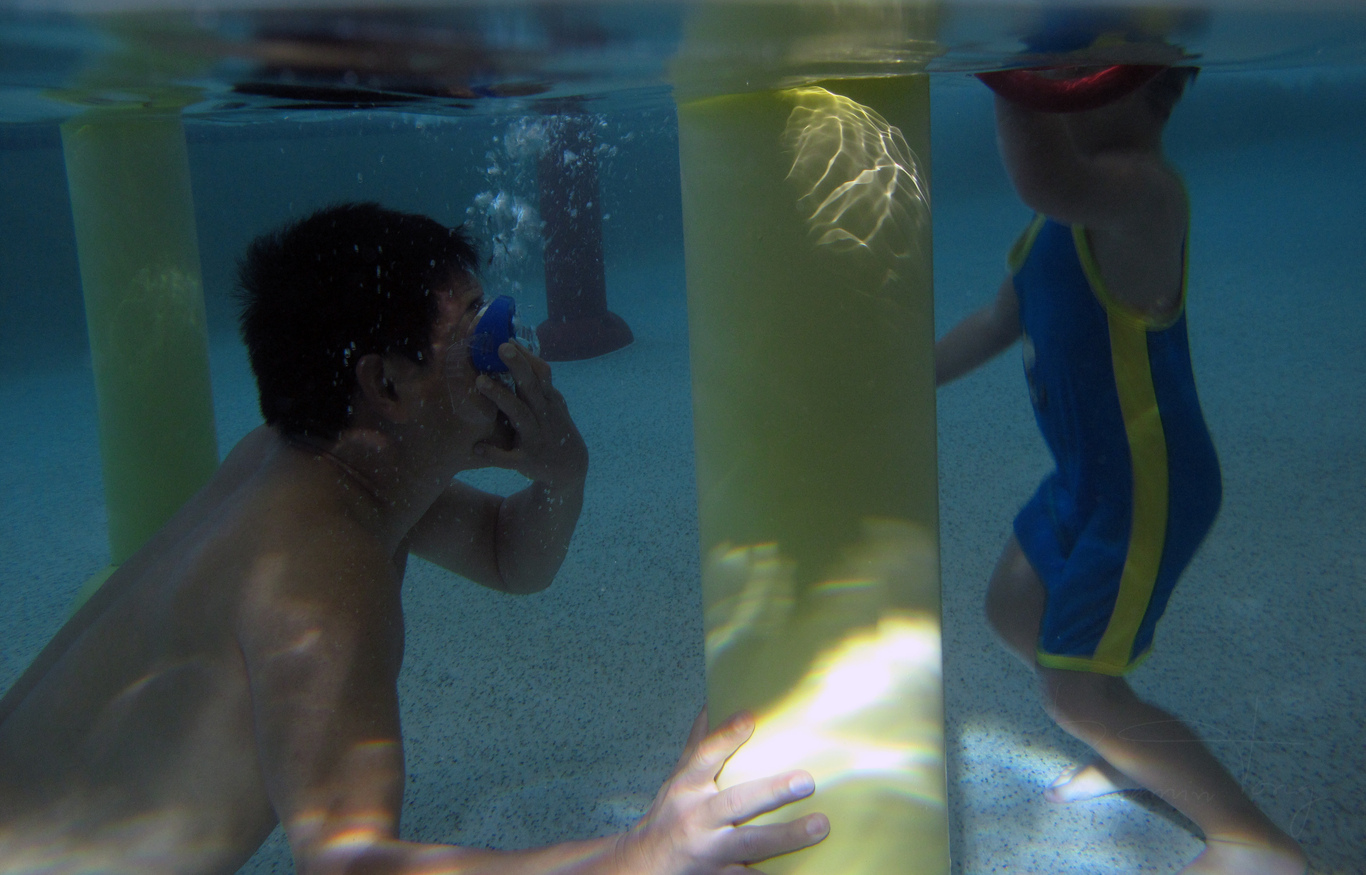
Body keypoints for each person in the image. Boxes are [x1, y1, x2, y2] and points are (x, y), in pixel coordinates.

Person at [0, 203, 829, 874]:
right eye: (474, 328)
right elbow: (349, 864)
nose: (507, 347)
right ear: (387, 383)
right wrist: (640, 854)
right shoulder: (320, 573)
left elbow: (510, 556)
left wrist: (561, 473)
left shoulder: (309, 464)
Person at [936, 69, 1308, 875]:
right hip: (1088, 476)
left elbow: (1047, 174)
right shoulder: (1053, 224)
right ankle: (1128, 738)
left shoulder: (1147, 196)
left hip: (1148, 486)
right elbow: (996, 320)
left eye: (1073, 76)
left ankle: (1253, 839)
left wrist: (1006, 60)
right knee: (1012, 607)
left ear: (1148, 95)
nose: (1057, 87)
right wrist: (906, 380)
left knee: (1072, 690)